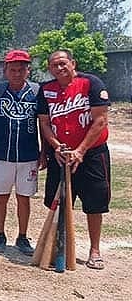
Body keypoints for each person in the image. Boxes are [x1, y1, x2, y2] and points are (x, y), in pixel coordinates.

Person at [37, 49, 111, 270]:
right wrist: (56, 146)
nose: (59, 68)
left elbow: (100, 121)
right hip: (60, 155)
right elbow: (45, 123)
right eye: (54, 65)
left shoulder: (91, 83)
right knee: (57, 201)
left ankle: (94, 250)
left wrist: (81, 150)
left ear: (72, 63)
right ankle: (59, 247)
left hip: (91, 154)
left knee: (94, 202)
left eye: (63, 63)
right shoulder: (46, 90)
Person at [0, 50, 42, 256]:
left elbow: (44, 123)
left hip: (28, 155)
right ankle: (0, 234)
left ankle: (22, 235)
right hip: (2, 154)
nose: (17, 73)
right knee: (1, 196)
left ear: (28, 70)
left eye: (21, 69)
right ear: (5, 70)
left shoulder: (37, 92)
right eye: (13, 69)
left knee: (24, 197)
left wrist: (44, 151)